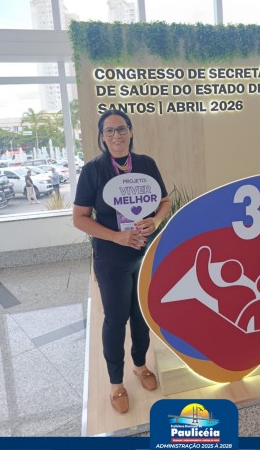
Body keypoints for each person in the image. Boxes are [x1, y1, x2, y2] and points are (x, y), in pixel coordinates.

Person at [73, 109, 171, 414]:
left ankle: (140, 365)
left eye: (121, 129)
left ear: (130, 131)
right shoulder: (93, 171)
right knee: (116, 319)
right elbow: (79, 218)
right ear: (102, 137)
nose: (116, 135)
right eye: (109, 131)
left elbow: (165, 202)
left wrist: (156, 220)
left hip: (144, 252)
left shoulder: (146, 164)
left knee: (141, 315)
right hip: (112, 257)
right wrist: (116, 237)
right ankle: (116, 382)